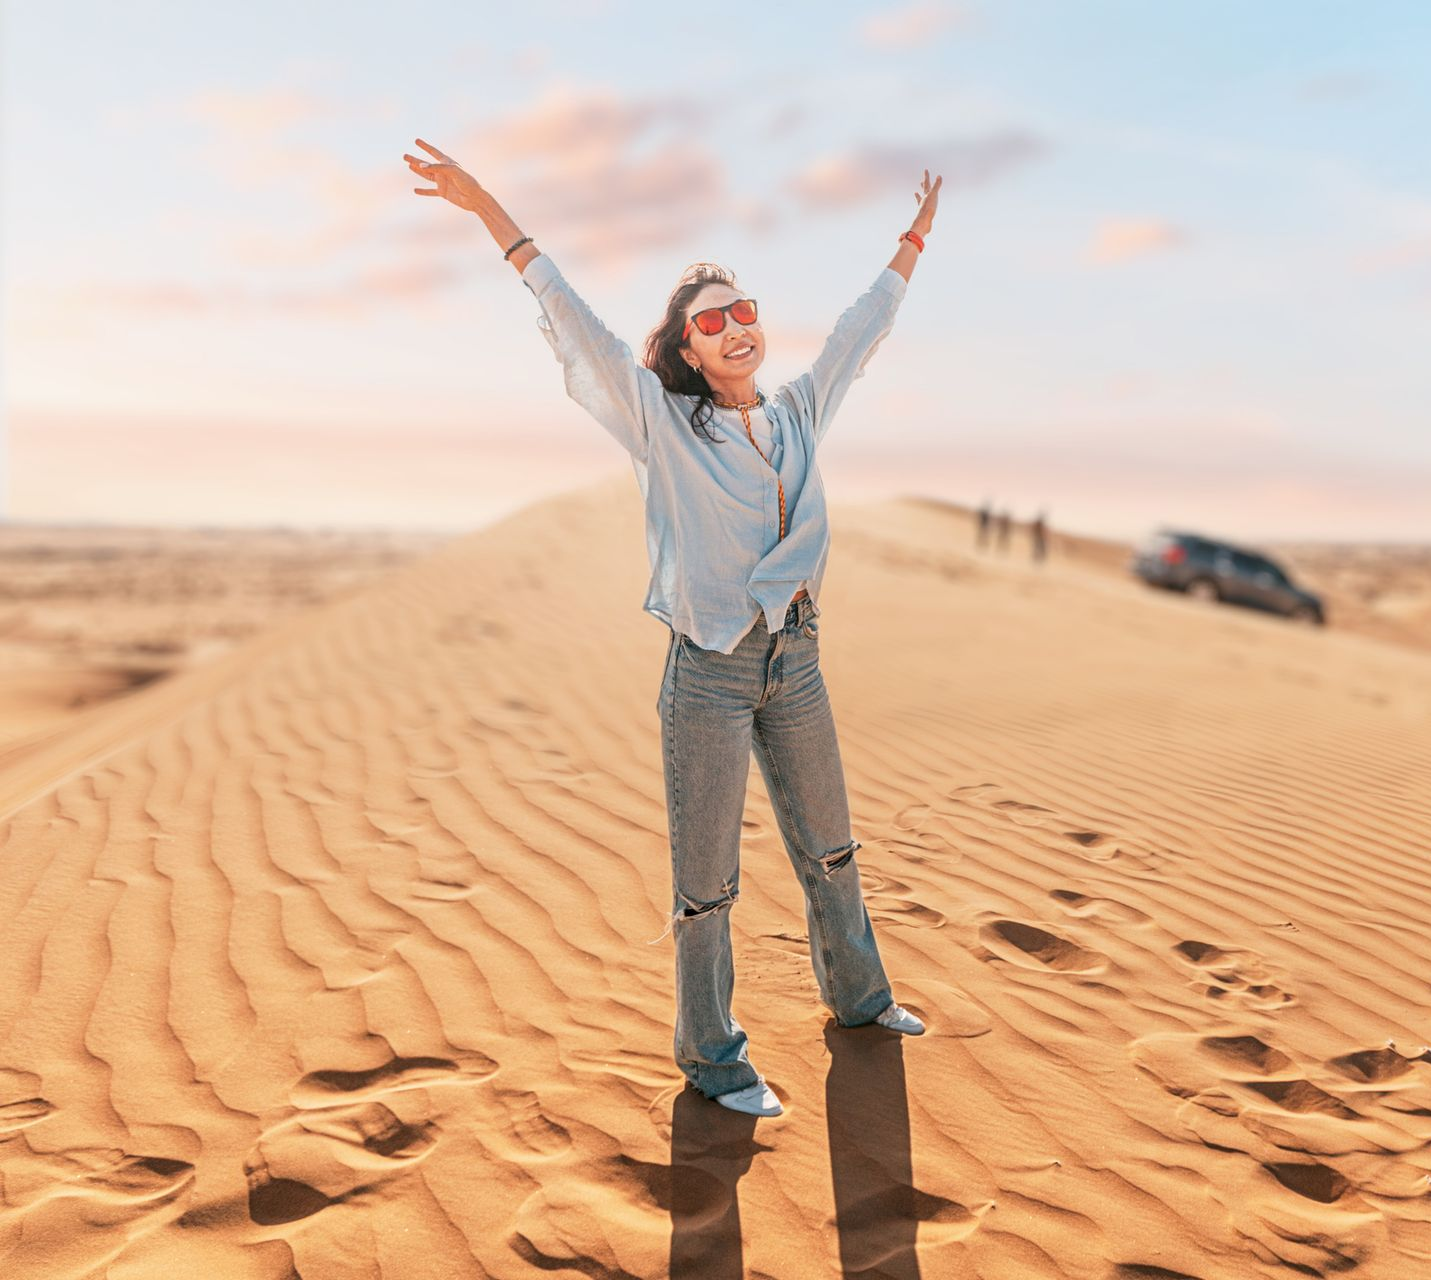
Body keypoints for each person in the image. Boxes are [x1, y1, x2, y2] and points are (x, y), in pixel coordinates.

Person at [404, 138, 942, 1119]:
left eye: (746, 311)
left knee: (833, 848)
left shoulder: (796, 414)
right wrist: (488, 207)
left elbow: (863, 330)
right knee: (707, 884)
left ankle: (861, 1001)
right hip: (710, 671)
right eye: (712, 319)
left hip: (799, 661)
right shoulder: (661, 421)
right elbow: (572, 315)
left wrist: (911, 238)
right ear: (685, 348)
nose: (736, 327)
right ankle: (715, 1061)